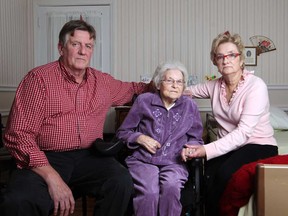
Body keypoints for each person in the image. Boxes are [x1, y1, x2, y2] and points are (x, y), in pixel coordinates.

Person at [0, 19, 152, 216]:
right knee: (18, 201)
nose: (83, 51)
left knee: (121, 182)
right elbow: (18, 134)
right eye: (75, 44)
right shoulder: (38, 80)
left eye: (88, 46)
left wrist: (166, 84)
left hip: (90, 156)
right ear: (61, 48)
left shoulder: (102, 82)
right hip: (46, 156)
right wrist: (52, 177)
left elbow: (134, 89)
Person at [183, 31, 278, 216]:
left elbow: (243, 133)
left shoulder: (256, 86)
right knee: (208, 176)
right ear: (215, 62)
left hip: (257, 144)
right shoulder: (214, 86)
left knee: (226, 173)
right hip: (229, 146)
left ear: (241, 59)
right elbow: (187, 91)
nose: (226, 60)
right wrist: (165, 86)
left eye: (231, 55)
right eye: (220, 56)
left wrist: (206, 150)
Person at [116, 60, 204, 216]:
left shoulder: (190, 106)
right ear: (158, 84)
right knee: (149, 191)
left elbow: (195, 138)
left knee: (171, 187)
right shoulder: (144, 101)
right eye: (169, 80)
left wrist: (189, 149)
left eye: (179, 82)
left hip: (175, 162)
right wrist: (140, 137)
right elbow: (123, 132)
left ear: (183, 86)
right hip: (143, 160)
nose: (175, 85)